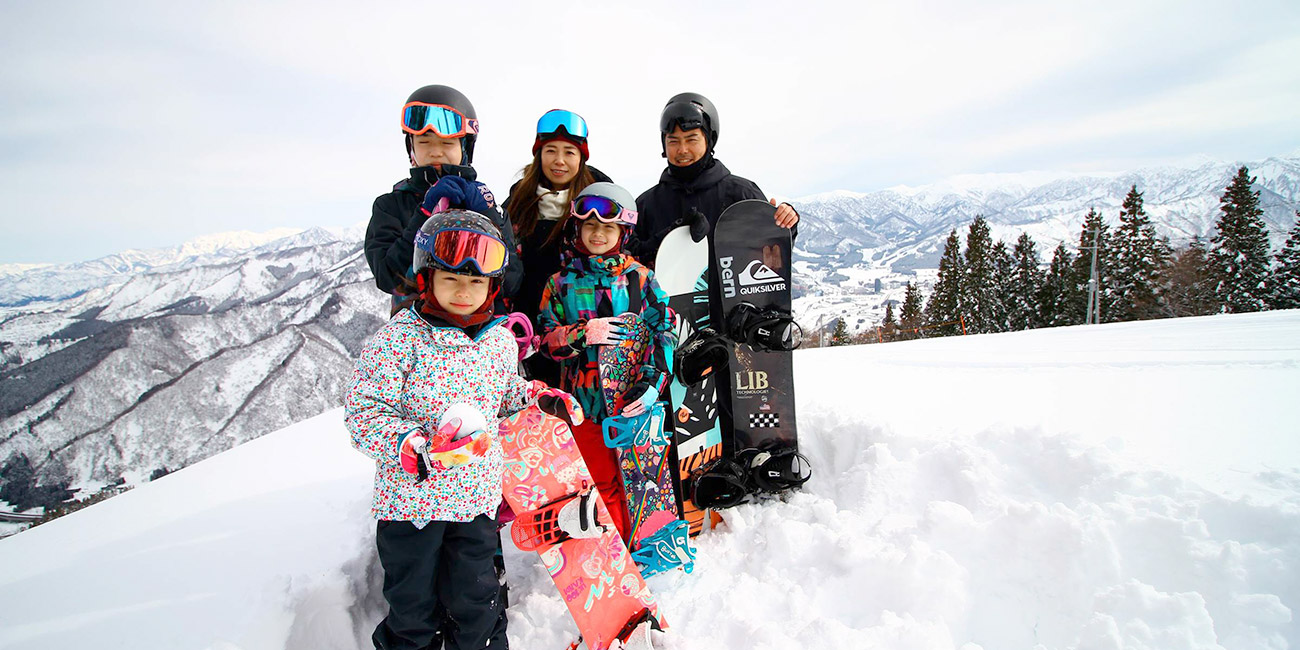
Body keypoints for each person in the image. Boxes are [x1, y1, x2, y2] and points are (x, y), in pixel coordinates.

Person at [345, 210, 575, 650]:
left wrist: (539, 398)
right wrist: (410, 445)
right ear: (426, 278)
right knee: (414, 610)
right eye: (451, 279)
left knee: (478, 604)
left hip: (474, 504)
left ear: (492, 286)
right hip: (411, 509)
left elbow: (506, 396)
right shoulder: (399, 341)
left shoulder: (499, 341)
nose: (464, 291)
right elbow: (363, 414)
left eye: (475, 282)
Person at [536, 182, 676, 542]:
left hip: (633, 402)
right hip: (583, 407)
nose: (598, 233)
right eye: (590, 225)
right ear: (577, 228)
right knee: (598, 483)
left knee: (641, 483)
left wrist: (652, 384)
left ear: (623, 232)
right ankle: (613, 556)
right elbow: (544, 342)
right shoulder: (560, 284)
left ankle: (645, 547)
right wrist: (581, 335)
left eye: (608, 227)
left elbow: (665, 332)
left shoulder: (641, 280)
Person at [365, 84, 522, 313]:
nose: (435, 151)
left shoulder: (484, 205)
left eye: (447, 143)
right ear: (411, 147)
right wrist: (424, 215)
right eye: (424, 142)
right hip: (416, 335)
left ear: (465, 147)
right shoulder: (392, 206)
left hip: (477, 336)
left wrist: (490, 216)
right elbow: (390, 279)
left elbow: (512, 282)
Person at [502, 109, 612, 384]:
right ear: (539, 154)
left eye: (569, 152)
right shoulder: (518, 201)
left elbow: (623, 251)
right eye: (550, 150)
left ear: (582, 158)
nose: (559, 161)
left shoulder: (598, 201)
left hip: (582, 327)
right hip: (529, 325)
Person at [630, 92, 799, 266]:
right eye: (673, 141)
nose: (682, 150)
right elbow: (629, 258)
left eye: (691, 140)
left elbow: (771, 257)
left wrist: (784, 224)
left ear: (709, 140)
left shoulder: (741, 194)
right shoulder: (646, 205)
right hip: (665, 293)